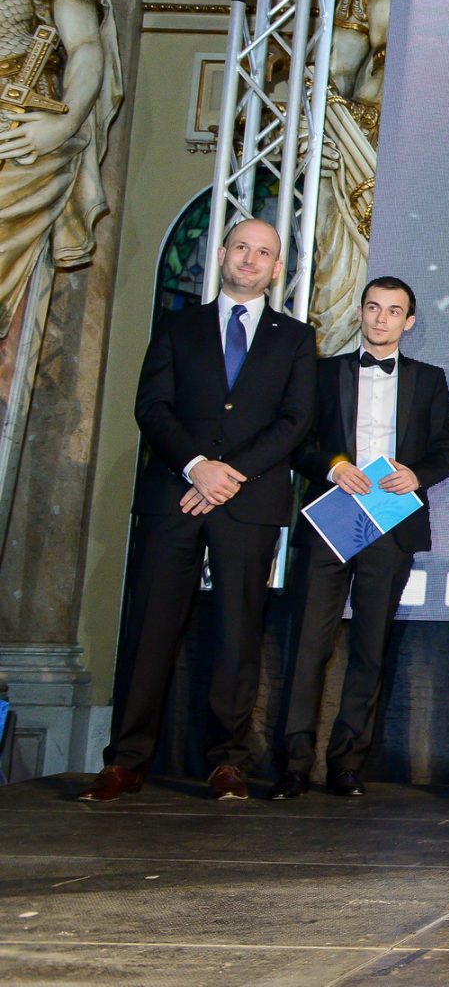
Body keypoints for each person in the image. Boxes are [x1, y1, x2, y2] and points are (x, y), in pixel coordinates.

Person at [83, 219, 316, 802]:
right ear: (221, 254)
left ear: (277, 269)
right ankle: (126, 761)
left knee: (238, 634)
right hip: (174, 495)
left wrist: (226, 474)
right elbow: (152, 406)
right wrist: (195, 467)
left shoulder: (295, 338)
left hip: (248, 501)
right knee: (150, 629)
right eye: (241, 248)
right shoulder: (177, 325)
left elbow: (296, 421)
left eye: (263, 253)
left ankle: (228, 763)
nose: (250, 259)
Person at [272, 275, 449, 800]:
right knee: (308, 646)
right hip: (331, 516)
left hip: (391, 521)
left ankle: (347, 764)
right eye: (374, 307)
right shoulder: (323, 371)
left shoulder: (430, 379)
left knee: (370, 648)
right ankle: (293, 765)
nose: (381, 318)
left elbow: (446, 452)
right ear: (360, 312)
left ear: (409, 321)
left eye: (393, 311)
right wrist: (333, 467)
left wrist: (416, 475)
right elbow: (298, 442)